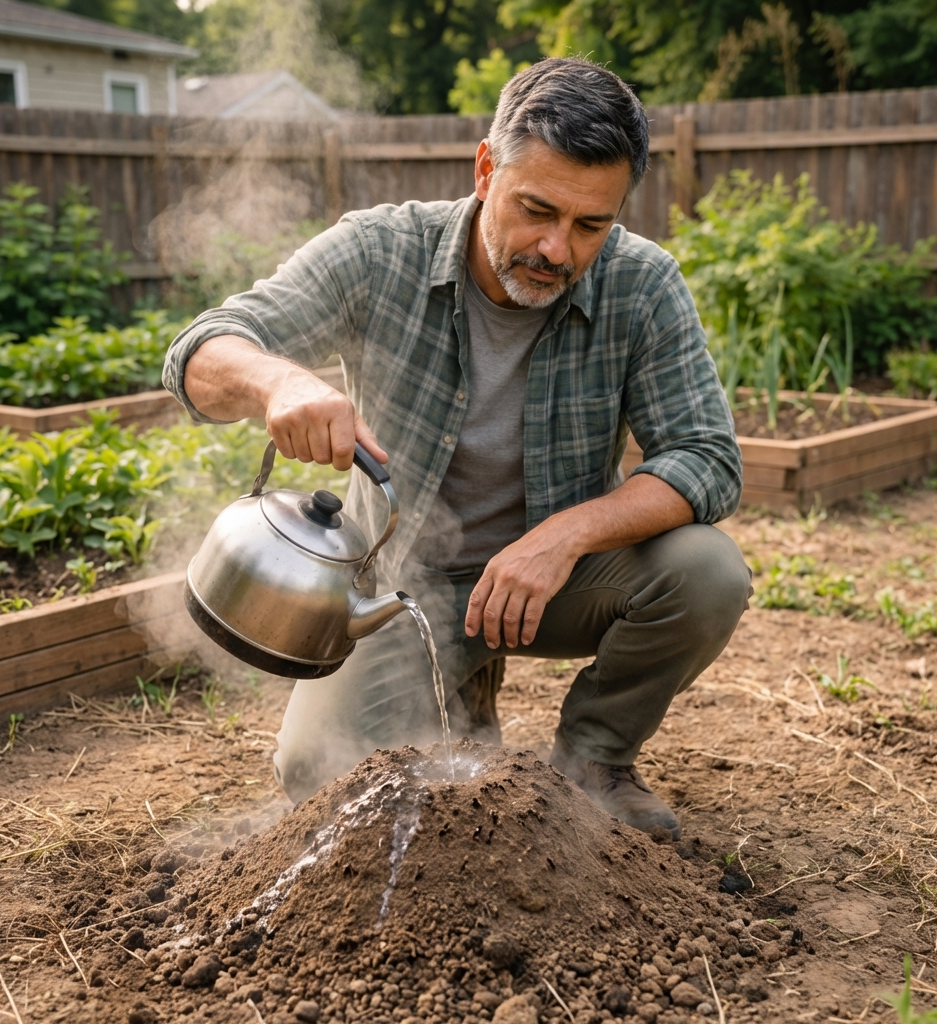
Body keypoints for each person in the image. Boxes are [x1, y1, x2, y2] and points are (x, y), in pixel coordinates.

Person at [163, 57, 751, 839]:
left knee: (708, 573)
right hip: (403, 594)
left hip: (559, 579)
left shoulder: (642, 284)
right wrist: (279, 384)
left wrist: (561, 537)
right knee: (317, 771)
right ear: (485, 170)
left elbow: (706, 457)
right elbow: (198, 351)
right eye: (536, 209)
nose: (557, 249)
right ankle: (461, 697)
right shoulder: (381, 251)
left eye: (590, 225)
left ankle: (595, 761)